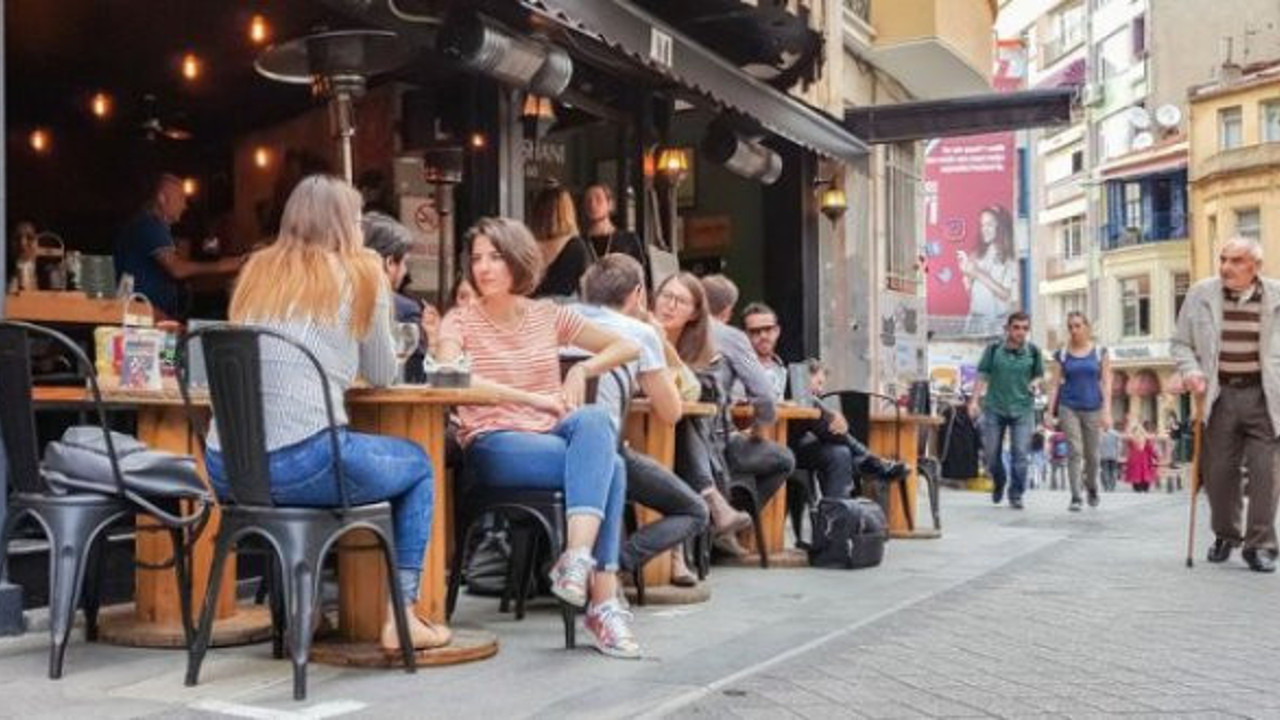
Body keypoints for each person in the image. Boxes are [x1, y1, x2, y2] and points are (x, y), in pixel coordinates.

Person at [203, 175, 448, 652]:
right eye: (357, 219)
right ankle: (403, 616)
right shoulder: (362, 273)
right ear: (343, 224)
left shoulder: (256, 271)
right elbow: (380, 374)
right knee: (418, 464)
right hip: (304, 464)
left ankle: (306, 612)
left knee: (298, 485)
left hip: (229, 469)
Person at [436, 217, 645, 657]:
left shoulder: (548, 314)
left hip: (551, 430)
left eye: (495, 257)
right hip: (495, 440)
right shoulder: (459, 321)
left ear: (519, 260)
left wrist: (584, 369)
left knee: (595, 422)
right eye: (476, 259)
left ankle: (575, 559)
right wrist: (534, 399)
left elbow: (629, 348)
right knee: (614, 465)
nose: (484, 268)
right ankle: (602, 601)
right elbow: (452, 379)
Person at [575, 254, 709, 587]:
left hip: (551, 445)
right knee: (695, 511)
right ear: (637, 295)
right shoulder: (638, 333)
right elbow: (671, 412)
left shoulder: (560, 321)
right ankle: (614, 564)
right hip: (606, 452)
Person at [1172, 235, 1280, 573]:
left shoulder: (1276, 297)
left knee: (1267, 473)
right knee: (1218, 475)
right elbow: (1181, 344)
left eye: (1235, 261)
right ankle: (1226, 535)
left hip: (1264, 396)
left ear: (1255, 267)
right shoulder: (1201, 294)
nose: (1225, 267)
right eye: (1223, 259)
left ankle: (1260, 544)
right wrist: (1192, 372)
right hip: (1218, 396)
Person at [738, 302, 906, 500]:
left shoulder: (782, 368)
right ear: (745, 335)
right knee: (811, 405)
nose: (763, 336)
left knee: (839, 453)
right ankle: (870, 460)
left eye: (767, 329)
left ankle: (834, 525)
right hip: (753, 438)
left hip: (786, 438)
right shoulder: (738, 363)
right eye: (755, 331)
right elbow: (736, 403)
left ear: (777, 331)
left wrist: (831, 414)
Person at [651, 273, 755, 553]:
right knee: (683, 425)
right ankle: (711, 503)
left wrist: (667, 353)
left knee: (685, 423)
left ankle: (678, 555)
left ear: (695, 312)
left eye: (680, 301)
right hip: (639, 430)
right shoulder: (637, 332)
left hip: (687, 436)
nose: (669, 305)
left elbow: (695, 394)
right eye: (665, 296)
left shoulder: (703, 349)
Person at [700, 275, 797, 541]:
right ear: (728, 310)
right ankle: (725, 528)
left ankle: (721, 522)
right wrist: (758, 429)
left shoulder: (670, 330)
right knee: (783, 459)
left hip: (680, 435)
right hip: (717, 441)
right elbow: (764, 396)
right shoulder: (731, 338)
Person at [114, 173, 244, 320]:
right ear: (162, 198)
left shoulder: (152, 226)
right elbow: (177, 269)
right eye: (181, 199)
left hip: (148, 313)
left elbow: (204, 253)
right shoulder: (150, 225)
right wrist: (220, 266)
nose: (184, 206)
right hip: (141, 315)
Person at [970, 312, 1043, 510]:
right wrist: (974, 401)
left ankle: (1016, 493)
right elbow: (982, 375)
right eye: (1016, 327)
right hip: (995, 407)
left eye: (1025, 328)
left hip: (1022, 410)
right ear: (1008, 329)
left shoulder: (1033, 352)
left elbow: (1039, 375)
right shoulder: (993, 350)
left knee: (1020, 455)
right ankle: (1000, 481)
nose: (1021, 332)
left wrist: (1034, 384)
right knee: (991, 455)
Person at [1048, 312, 1112, 511]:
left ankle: (1092, 487)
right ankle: (1076, 496)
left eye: (1078, 326)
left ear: (1087, 327)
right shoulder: (1063, 354)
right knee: (1075, 451)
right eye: (1070, 327)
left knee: (1092, 455)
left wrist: (1107, 411)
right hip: (1069, 407)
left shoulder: (1100, 352)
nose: (1074, 330)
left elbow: (1106, 382)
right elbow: (1054, 384)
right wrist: (1050, 412)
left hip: (1093, 407)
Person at [361, 212, 441, 368]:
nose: (405, 271)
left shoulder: (337, 300)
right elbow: (417, 373)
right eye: (405, 262)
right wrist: (433, 342)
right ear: (390, 262)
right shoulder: (406, 309)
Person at [958, 205, 1016, 334]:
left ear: (1000, 227)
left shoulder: (1009, 258)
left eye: (989, 225)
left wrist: (977, 273)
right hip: (976, 321)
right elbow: (974, 295)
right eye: (982, 225)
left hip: (997, 325)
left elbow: (1007, 294)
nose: (985, 229)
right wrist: (967, 277)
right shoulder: (977, 255)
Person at [530, 186, 591, 299]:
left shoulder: (525, 246)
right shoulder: (576, 247)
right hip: (563, 313)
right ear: (568, 213)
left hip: (528, 312)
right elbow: (587, 289)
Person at [581, 184, 648, 282]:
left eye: (598, 200)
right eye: (588, 201)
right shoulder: (580, 242)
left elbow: (641, 275)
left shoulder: (628, 240)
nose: (592, 204)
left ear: (610, 204)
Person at [1123, 422, 1156, 493]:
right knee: (1140, 478)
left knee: (1142, 478)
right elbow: (1127, 437)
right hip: (1139, 464)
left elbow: (1151, 449)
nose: (1139, 439)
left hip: (1142, 464)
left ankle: (1141, 487)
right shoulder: (1134, 443)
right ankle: (1141, 487)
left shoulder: (1145, 444)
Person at [1099, 424, 1123, 492]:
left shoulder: (1100, 434)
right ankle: (1112, 486)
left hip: (1104, 456)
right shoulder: (1116, 434)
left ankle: (1107, 486)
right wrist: (1118, 454)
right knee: (1113, 471)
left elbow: (1098, 445)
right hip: (1113, 455)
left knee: (1105, 471)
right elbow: (1119, 445)